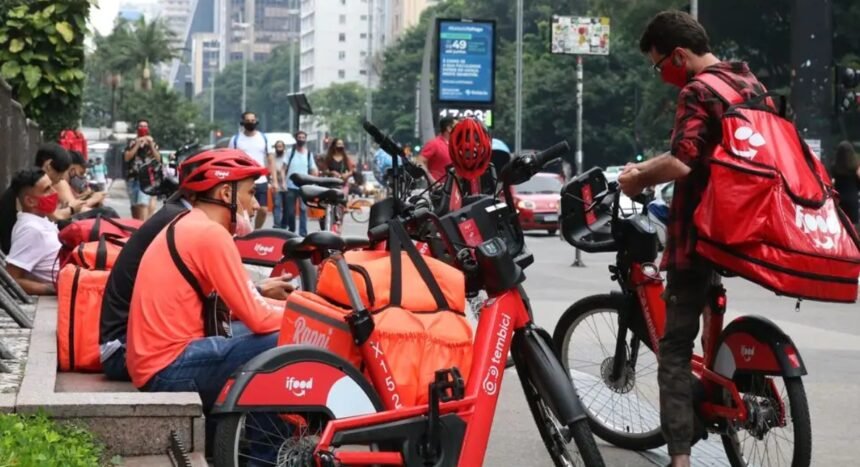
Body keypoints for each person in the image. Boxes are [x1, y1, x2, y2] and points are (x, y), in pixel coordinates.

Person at [618, 11, 770, 467]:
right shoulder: (748, 84)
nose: (660, 73)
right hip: (746, 226)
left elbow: (684, 162)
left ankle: (681, 458)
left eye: (659, 64)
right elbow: (702, 149)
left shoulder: (696, 90)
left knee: (674, 348)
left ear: (679, 56)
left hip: (700, 232)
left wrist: (638, 180)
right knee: (707, 310)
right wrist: (646, 168)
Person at [101, 149, 293, 382]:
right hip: (168, 367)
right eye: (251, 193)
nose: (255, 205)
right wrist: (312, 320)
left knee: (283, 329)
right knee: (294, 335)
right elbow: (259, 318)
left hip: (151, 361)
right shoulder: (210, 234)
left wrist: (295, 308)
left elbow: (234, 306)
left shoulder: (188, 222)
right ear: (225, 193)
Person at [0, 143, 72, 255]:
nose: (62, 178)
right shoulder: (28, 193)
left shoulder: (30, 187)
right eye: (60, 173)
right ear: (48, 165)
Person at [4, 169, 61, 295]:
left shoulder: (40, 220)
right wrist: (53, 289)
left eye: (52, 186)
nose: (54, 192)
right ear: (30, 201)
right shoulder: (31, 230)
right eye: (47, 189)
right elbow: (11, 278)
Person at [229, 111, 278, 229]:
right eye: (247, 120)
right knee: (243, 209)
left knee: (263, 210)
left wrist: (275, 181)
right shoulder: (235, 140)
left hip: (260, 180)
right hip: (243, 180)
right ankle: (246, 231)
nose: (250, 123)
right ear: (242, 122)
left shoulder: (264, 138)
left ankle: (256, 231)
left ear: (256, 121)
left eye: (253, 120)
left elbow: (271, 160)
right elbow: (230, 159)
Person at [282, 131, 318, 236]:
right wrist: (283, 182)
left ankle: (303, 233)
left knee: (303, 209)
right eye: (299, 137)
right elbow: (283, 169)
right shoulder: (290, 152)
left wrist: (314, 180)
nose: (301, 139)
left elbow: (313, 169)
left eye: (303, 137)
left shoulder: (308, 154)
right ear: (296, 138)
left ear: (305, 139)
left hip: (304, 187)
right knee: (290, 211)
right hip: (290, 185)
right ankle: (291, 230)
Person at [123, 119, 160, 221]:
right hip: (133, 178)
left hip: (146, 179)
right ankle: (137, 228)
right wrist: (137, 144)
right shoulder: (132, 143)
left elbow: (158, 159)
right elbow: (127, 157)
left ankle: (143, 230)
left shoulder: (152, 143)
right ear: (137, 128)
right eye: (140, 126)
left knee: (143, 204)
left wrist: (151, 144)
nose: (143, 128)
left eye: (145, 126)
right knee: (134, 207)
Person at [316, 138, 354, 229]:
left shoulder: (346, 158)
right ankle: (326, 224)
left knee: (341, 206)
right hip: (330, 184)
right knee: (327, 205)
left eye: (342, 144)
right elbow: (324, 170)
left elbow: (351, 170)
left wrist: (346, 175)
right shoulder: (328, 158)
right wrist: (331, 173)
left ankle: (339, 226)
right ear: (334, 146)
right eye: (338, 144)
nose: (340, 146)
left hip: (342, 185)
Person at [418, 116, 456, 183]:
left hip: (454, 188)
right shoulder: (434, 144)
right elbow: (419, 162)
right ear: (449, 128)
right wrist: (433, 182)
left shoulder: (456, 145)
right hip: (439, 189)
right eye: (457, 126)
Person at [832, 141, 860, 228]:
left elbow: (833, 183)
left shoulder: (834, 167)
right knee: (853, 228)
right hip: (852, 201)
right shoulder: (856, 167)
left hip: (839, 201)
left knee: (840, 226)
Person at [271, 140, 290, 229]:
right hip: (276, 185)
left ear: (284, 148)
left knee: (286, 206)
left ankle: (284, 225)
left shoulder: (287, 157)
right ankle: (277, 225)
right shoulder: (272, 157)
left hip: (287, 185)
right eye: (277, 147)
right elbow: (270, 169)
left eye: (281, 146)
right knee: (277, 205)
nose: (279, 148)